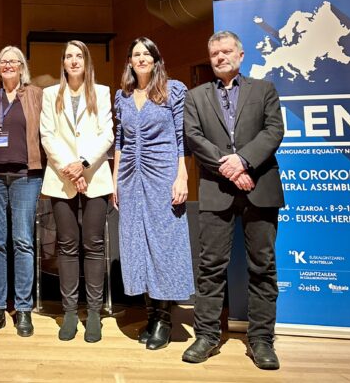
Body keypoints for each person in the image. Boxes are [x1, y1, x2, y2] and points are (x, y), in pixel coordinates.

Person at [182, 31, 285, 370]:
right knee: (210, 267)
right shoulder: (195, 97)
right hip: (216, 190)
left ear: (241, 56)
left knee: (263, 267)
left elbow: (273, 131)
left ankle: (261, 340)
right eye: (214, 53)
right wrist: (229, 167)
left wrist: (243, 161)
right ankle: (207, 336)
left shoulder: (264, 90)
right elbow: (194, 137)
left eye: (227, 52)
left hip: (260, 186)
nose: (220, 57)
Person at [112, 37, 194, 351]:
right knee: (137, 243)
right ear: (130, 61)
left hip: (163, 174)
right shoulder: (123, 95)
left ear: (155, 59)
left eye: (147, 53)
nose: (142, 58)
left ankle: (164, 318)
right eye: (136, 54)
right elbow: (120, 141)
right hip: (131, 177)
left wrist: (182, 175)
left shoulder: (173, 90)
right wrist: (116, 179)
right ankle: (150, 315)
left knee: (164, 243)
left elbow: (180, 135)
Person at [40, 40, 114, 343]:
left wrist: (82, 165)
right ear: (63, 62)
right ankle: (70, 312)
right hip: (61, 178)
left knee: (94, 245)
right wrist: (70, 169)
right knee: (67, 245)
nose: (73, 61)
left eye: (78, 56)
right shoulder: (49, 94)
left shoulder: (102, 92)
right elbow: (48, 135)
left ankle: (94, 312)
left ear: (86, 61)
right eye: (68, 56)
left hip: (94, 175)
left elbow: (106, 134)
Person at [0, 46, 44, 338]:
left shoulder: (36, 94)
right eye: (3, 61)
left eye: (13, 61)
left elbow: (48, 132)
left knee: (23, 242)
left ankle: (24, 309)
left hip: (26, 176)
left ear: (22, 66)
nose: (8, 65)